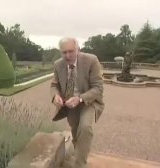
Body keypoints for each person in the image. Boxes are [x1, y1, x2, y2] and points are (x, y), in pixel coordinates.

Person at [50, 37, 104, 168]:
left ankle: (79, 164)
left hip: (88, 101)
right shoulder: (58, 64)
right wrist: (56, 96)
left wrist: (79, 98)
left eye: (71, 51)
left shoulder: (91, 60)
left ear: (78, 49)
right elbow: (54, 85)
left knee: (85, 128)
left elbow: (98, 87)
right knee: (75, 133)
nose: (67, 55)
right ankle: (79, 154)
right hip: (69, 104)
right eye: (64, 52)